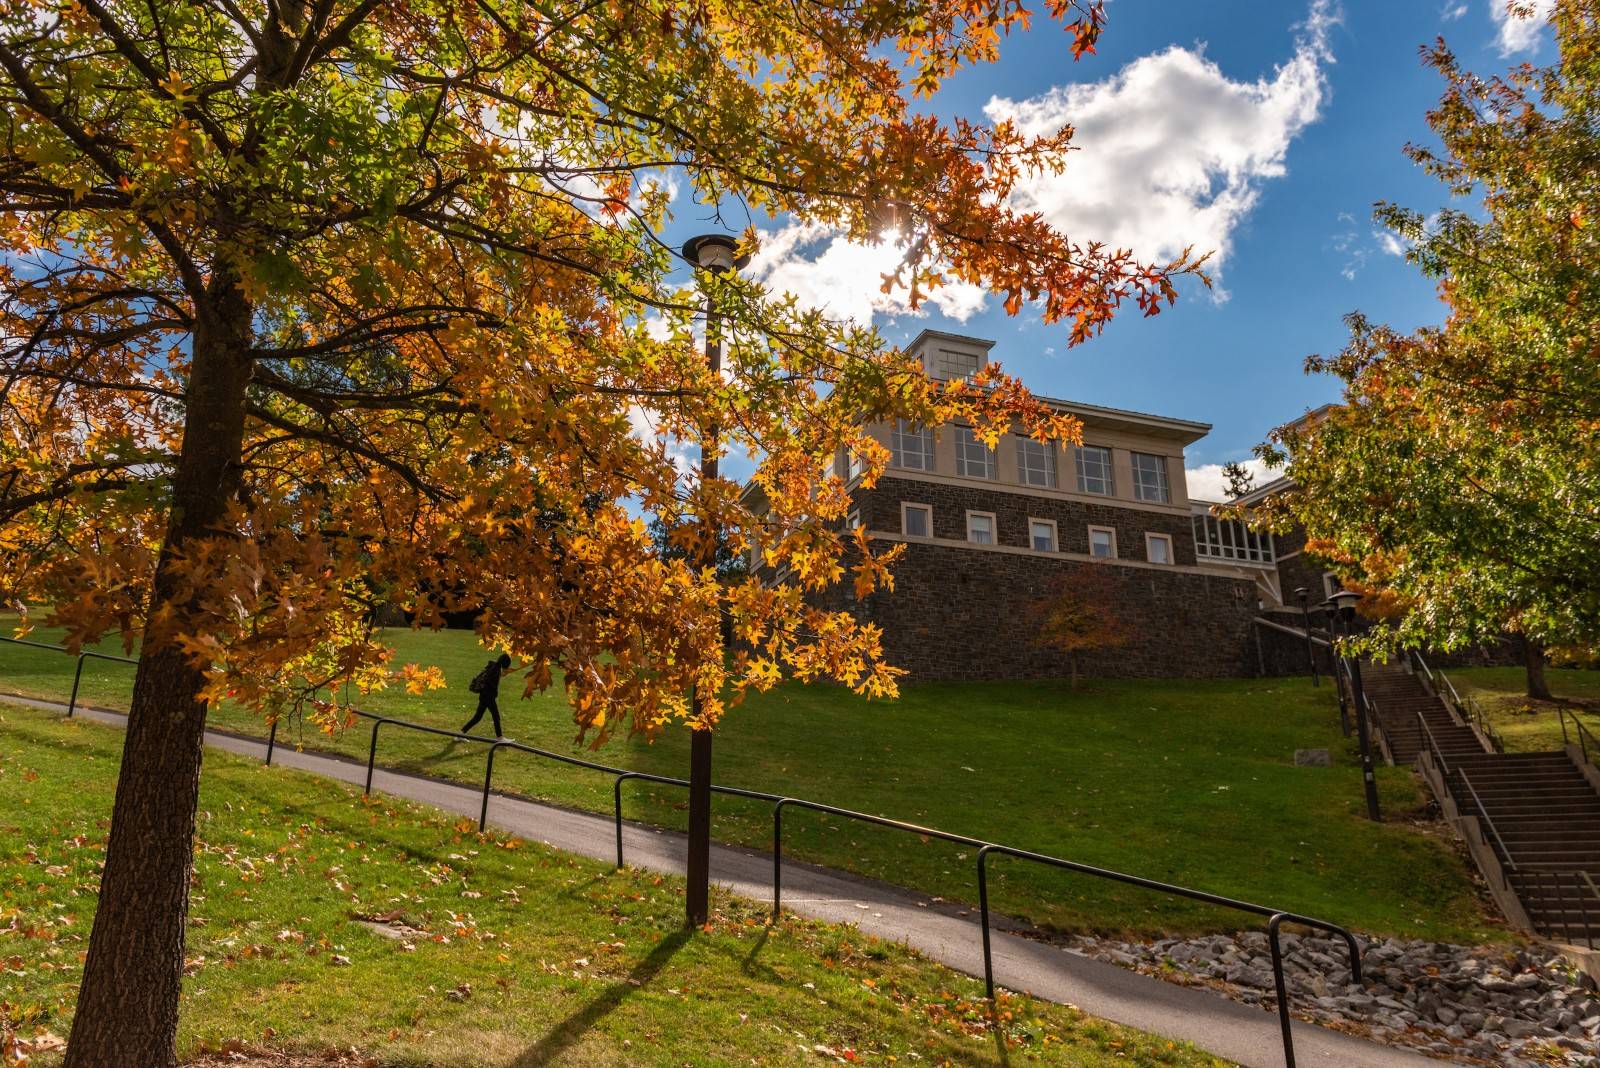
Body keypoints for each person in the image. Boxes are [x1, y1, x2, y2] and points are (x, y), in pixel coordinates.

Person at [462, 652, 512, 737]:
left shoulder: (493, 667)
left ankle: (460, 734)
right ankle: (499, 737)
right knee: (496, 716)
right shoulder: (496, 670)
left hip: (484, 695)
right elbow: (490, 683)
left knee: (477, 717)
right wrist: (495, 692)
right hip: (488, 697)